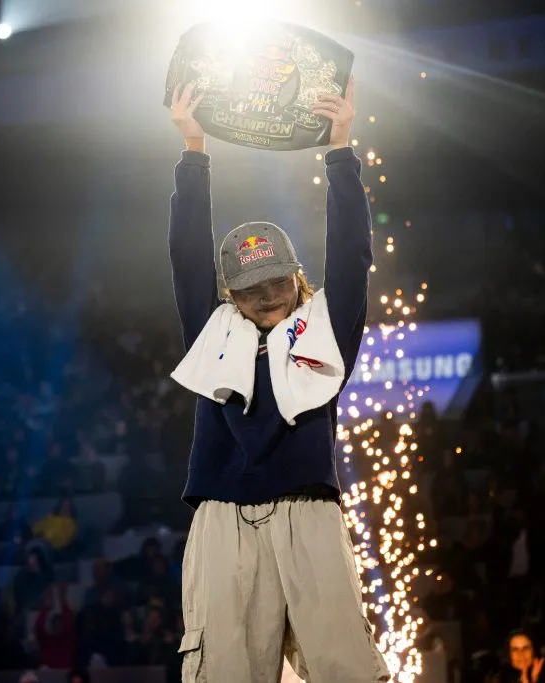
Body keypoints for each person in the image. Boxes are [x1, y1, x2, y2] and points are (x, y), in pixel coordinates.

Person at [167, 79, 389, 683]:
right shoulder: (209, 333)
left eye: (275, 283)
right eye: (249, 289)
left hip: (306, 510)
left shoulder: (326, 331)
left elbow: (351, 256)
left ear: (297, 278)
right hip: (222, 517)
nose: (265, 298)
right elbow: (186, 257)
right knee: (222, 671)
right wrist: (194, 148)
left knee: (345, 666)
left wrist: (340, 147)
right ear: (228, 293)